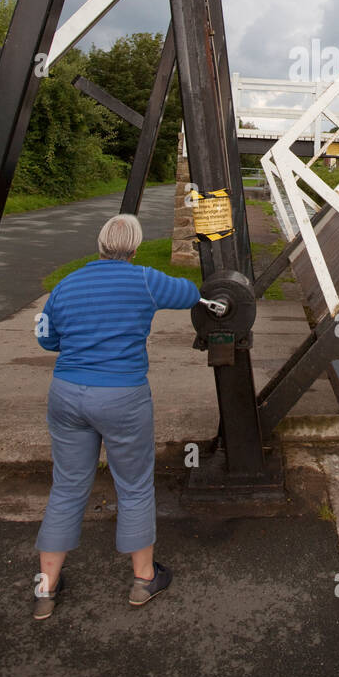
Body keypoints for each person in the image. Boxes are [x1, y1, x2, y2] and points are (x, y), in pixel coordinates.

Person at [32, 212, 218, 619]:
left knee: (65, 488)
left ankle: (45, 589)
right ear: (133, 249)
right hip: (121, 397)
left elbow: (46, 338)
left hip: (66, 395)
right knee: (133, 486)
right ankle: (143, 579)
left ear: (99, 245)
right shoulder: (145, 280)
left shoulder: (66, 285)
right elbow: (189, 292)